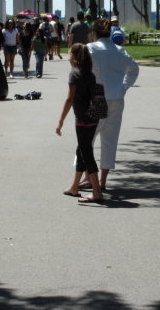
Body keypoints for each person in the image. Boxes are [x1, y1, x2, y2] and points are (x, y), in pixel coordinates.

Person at [79, 18, 139, 191]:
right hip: (116, 98)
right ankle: (103, 180)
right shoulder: (119, 50)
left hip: (96, 98)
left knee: (87, 138)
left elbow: (80, 73)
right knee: (110, 140)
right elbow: (134, 69)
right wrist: (124, 87)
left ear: (94, 33)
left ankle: (88, 178)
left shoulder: (90, 49)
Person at [56, 43, 103, 203]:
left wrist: (60, 121)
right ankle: (74, 187)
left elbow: (70, 99)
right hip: (93, 117)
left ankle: (96, 192)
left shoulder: (74, 74)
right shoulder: (90, 74)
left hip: (82, 119)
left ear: (74, 56)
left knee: (86, 154)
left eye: (70, 54)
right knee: (82, 151)